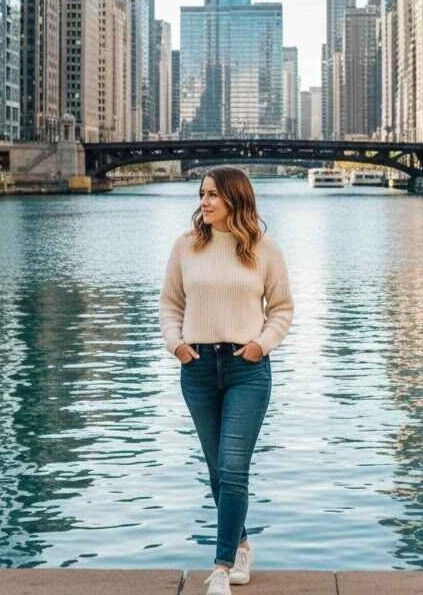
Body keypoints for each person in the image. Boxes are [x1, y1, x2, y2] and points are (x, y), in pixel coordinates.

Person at [159, 166, 294, 594]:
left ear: (235, 199)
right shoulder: (186, 247)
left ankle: (221, 568)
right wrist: (177, 346)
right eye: (202, 194)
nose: (204, 202)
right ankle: (242, 544)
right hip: (197, 369)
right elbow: (169, 304)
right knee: (218, 471)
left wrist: (261, 345)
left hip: (246, 369)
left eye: (213, 195)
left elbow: (283, 308)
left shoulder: (262, 249)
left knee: (234, 468)